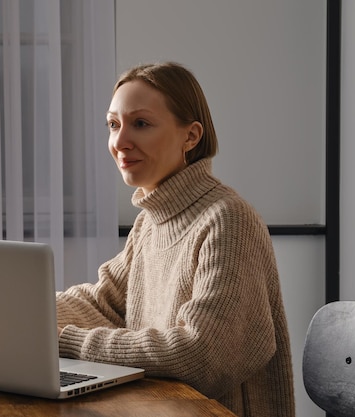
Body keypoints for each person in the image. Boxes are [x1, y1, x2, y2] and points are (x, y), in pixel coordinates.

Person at [56, 62, 295, 417]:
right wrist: (25, 311)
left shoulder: (228, 219)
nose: (119, 142)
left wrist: (65, 341)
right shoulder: (150, 223)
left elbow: (201, 357)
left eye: (140, 124)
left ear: (191, 136)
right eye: (113, 124)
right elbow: (102, 303)